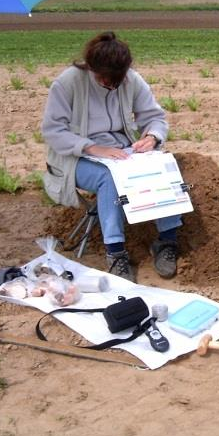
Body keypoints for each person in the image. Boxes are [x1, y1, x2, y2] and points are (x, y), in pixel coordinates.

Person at [41, 31, 181, 282]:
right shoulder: (68, 83)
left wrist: (153, 137)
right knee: (109, 178)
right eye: (106, 80)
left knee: (161, 165)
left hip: (121, 151)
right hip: (74, 157)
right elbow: (53, 132)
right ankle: (115, 253)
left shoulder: (131, 80)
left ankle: (167, 241)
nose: (112, 85)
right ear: (91, 69)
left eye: (117, 80)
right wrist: (91, 147)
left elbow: (155, 118)